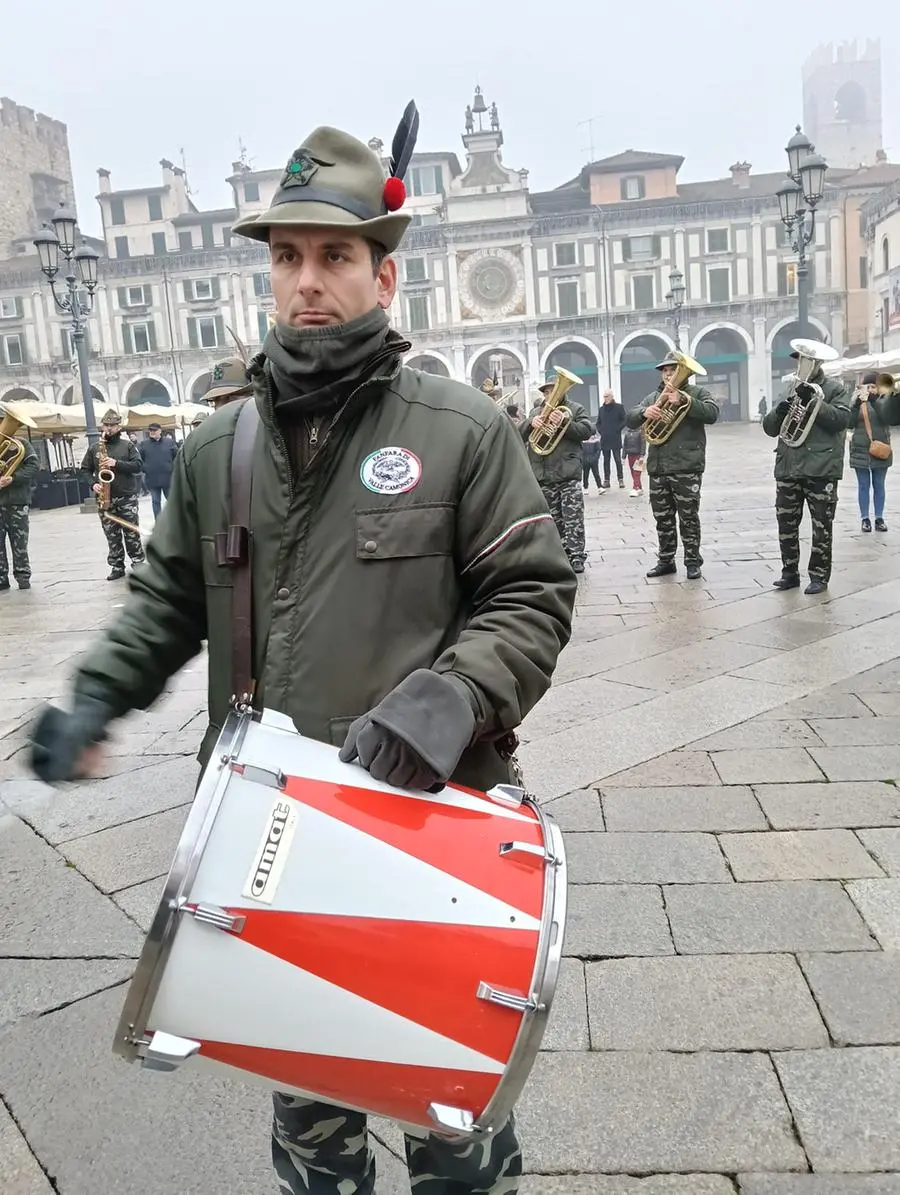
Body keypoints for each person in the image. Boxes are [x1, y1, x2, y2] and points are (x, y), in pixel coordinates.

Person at [28, 114, 576, 1195]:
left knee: (456, 1145)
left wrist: (447, 701)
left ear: (385, 272)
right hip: (274, 852)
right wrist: (97, 695)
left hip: (435, 837)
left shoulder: (462, 431)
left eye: (334, 256)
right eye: (287, 258)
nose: (308, 281)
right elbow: (167, 597)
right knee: (313, 1148)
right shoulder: (216, 447)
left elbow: (531, 592)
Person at [762, 347, 851, 594]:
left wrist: (815, 402)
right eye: (800, 360)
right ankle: (789, 572)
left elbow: (843, 420)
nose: (802, 365)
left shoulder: (834, 388)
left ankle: (819, 576)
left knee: (821, 525)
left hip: (821, 469)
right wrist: (779, 411)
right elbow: (770, 428)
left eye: (807, 360)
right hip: (788, 466)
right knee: (786, 524)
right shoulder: (789, 387)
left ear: (817, 363)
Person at [626, 351, 719, 579]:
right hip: (659, 467)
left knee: (688, 517)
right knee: (663, 519)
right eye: (665, 371)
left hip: (687, 466)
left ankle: (692, 561)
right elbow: (630, 418)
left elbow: (712, 413)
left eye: (672, 370)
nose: (668, 375)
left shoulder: (697, 393)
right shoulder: (652, 398)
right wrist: (644, 412)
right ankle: (666, 560)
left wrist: (686, 401)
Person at [521, 381, 593, 572]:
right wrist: (530, 424)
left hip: (568, 471)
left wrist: (564, 423)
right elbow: (519, 435)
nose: (550, 395)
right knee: (552, 519)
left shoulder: (575, 409)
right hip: (544, 473)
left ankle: (576, 555)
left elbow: (587, 431)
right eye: (547, 392)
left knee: (573, 516)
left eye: (554, 390)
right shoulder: (535, 413)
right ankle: (559, 555)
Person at [81, 410, 145, 581]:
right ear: (102, 425)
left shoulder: (128, 446)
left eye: (112, 426)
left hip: (126, 496)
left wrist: (116, 463)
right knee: (111, 533)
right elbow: (85, 470)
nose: (108, 428)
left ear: (119, 427)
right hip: (104, 497)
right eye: (106, 425)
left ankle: (138, 561)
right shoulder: (95, 448)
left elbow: (138, 465)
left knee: (131, 531)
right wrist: (92, 483)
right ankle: (117, 566)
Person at [848, 371, 893, 533]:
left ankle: (879, 518)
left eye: (875, 386)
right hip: (860, 449)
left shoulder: (885, 401)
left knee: (879, 485)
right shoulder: (858, 402)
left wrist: (875, 402)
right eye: (869, 386)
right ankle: (865, 518)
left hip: (881, 449)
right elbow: (849, 423)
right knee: (863, 485)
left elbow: (890, 418)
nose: (871, 389)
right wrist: (855, 404)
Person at [0, 433, 38, 591]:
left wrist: (13, 478)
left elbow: (33, 466)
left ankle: (23, 576)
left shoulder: (21, 444)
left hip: (17, 501)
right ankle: (1, 578)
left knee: (20, 541)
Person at [139, 422, 177, 520]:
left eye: (154, 430)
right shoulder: (144, 444)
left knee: (172, 501)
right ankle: (159, 523)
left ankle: (175, 521)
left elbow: (176, 456)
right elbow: (139, 460)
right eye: (150, 430)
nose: (152, 432)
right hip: (152, 478)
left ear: (160, 431)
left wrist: (172, 467)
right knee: (156, 501)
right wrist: (145, 468)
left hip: (167, 478)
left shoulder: (169, 442)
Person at [596, 389, 626, 488]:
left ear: (612, 397)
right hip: (605, 439)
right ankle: (606, 480)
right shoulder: (601, 409)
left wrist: (617, 429)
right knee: (606, 461)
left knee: (617, 459)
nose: (605, 398)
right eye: (604, 396)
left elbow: (624, 420)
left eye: (607, 396)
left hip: (615, 437)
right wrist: (601, 431)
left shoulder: (619, 407)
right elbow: (598, 423)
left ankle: (620, 479)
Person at [622, 423, 645, 497]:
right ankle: (639, 488)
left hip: (638, 456)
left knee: (637, 473)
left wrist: (642, 455)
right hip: (630, 455)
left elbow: (643, 445)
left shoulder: (640, 432)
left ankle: (635, 488)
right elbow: (624, 446)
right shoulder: (627, 434)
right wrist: (623, 457)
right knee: (633, 473)